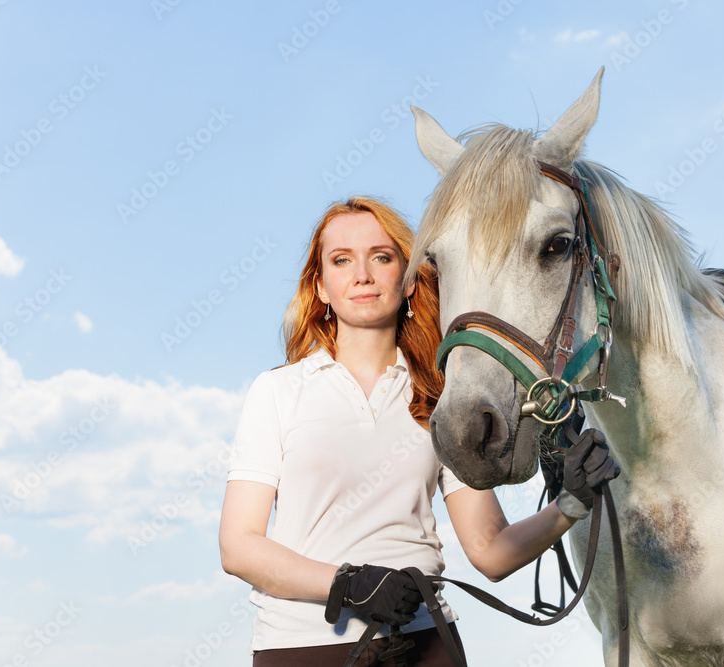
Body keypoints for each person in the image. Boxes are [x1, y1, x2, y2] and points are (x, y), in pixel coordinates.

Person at [218, 196, 615, 666]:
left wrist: (570, 504)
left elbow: (490, 551)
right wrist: (348, 584)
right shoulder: (278, 391)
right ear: (321, 286)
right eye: (341, 260)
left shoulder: (444, 398)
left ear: (408, 280)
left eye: (381, 257)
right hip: (301, 647)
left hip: (425, 645)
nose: (362, 274)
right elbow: (239, 546)